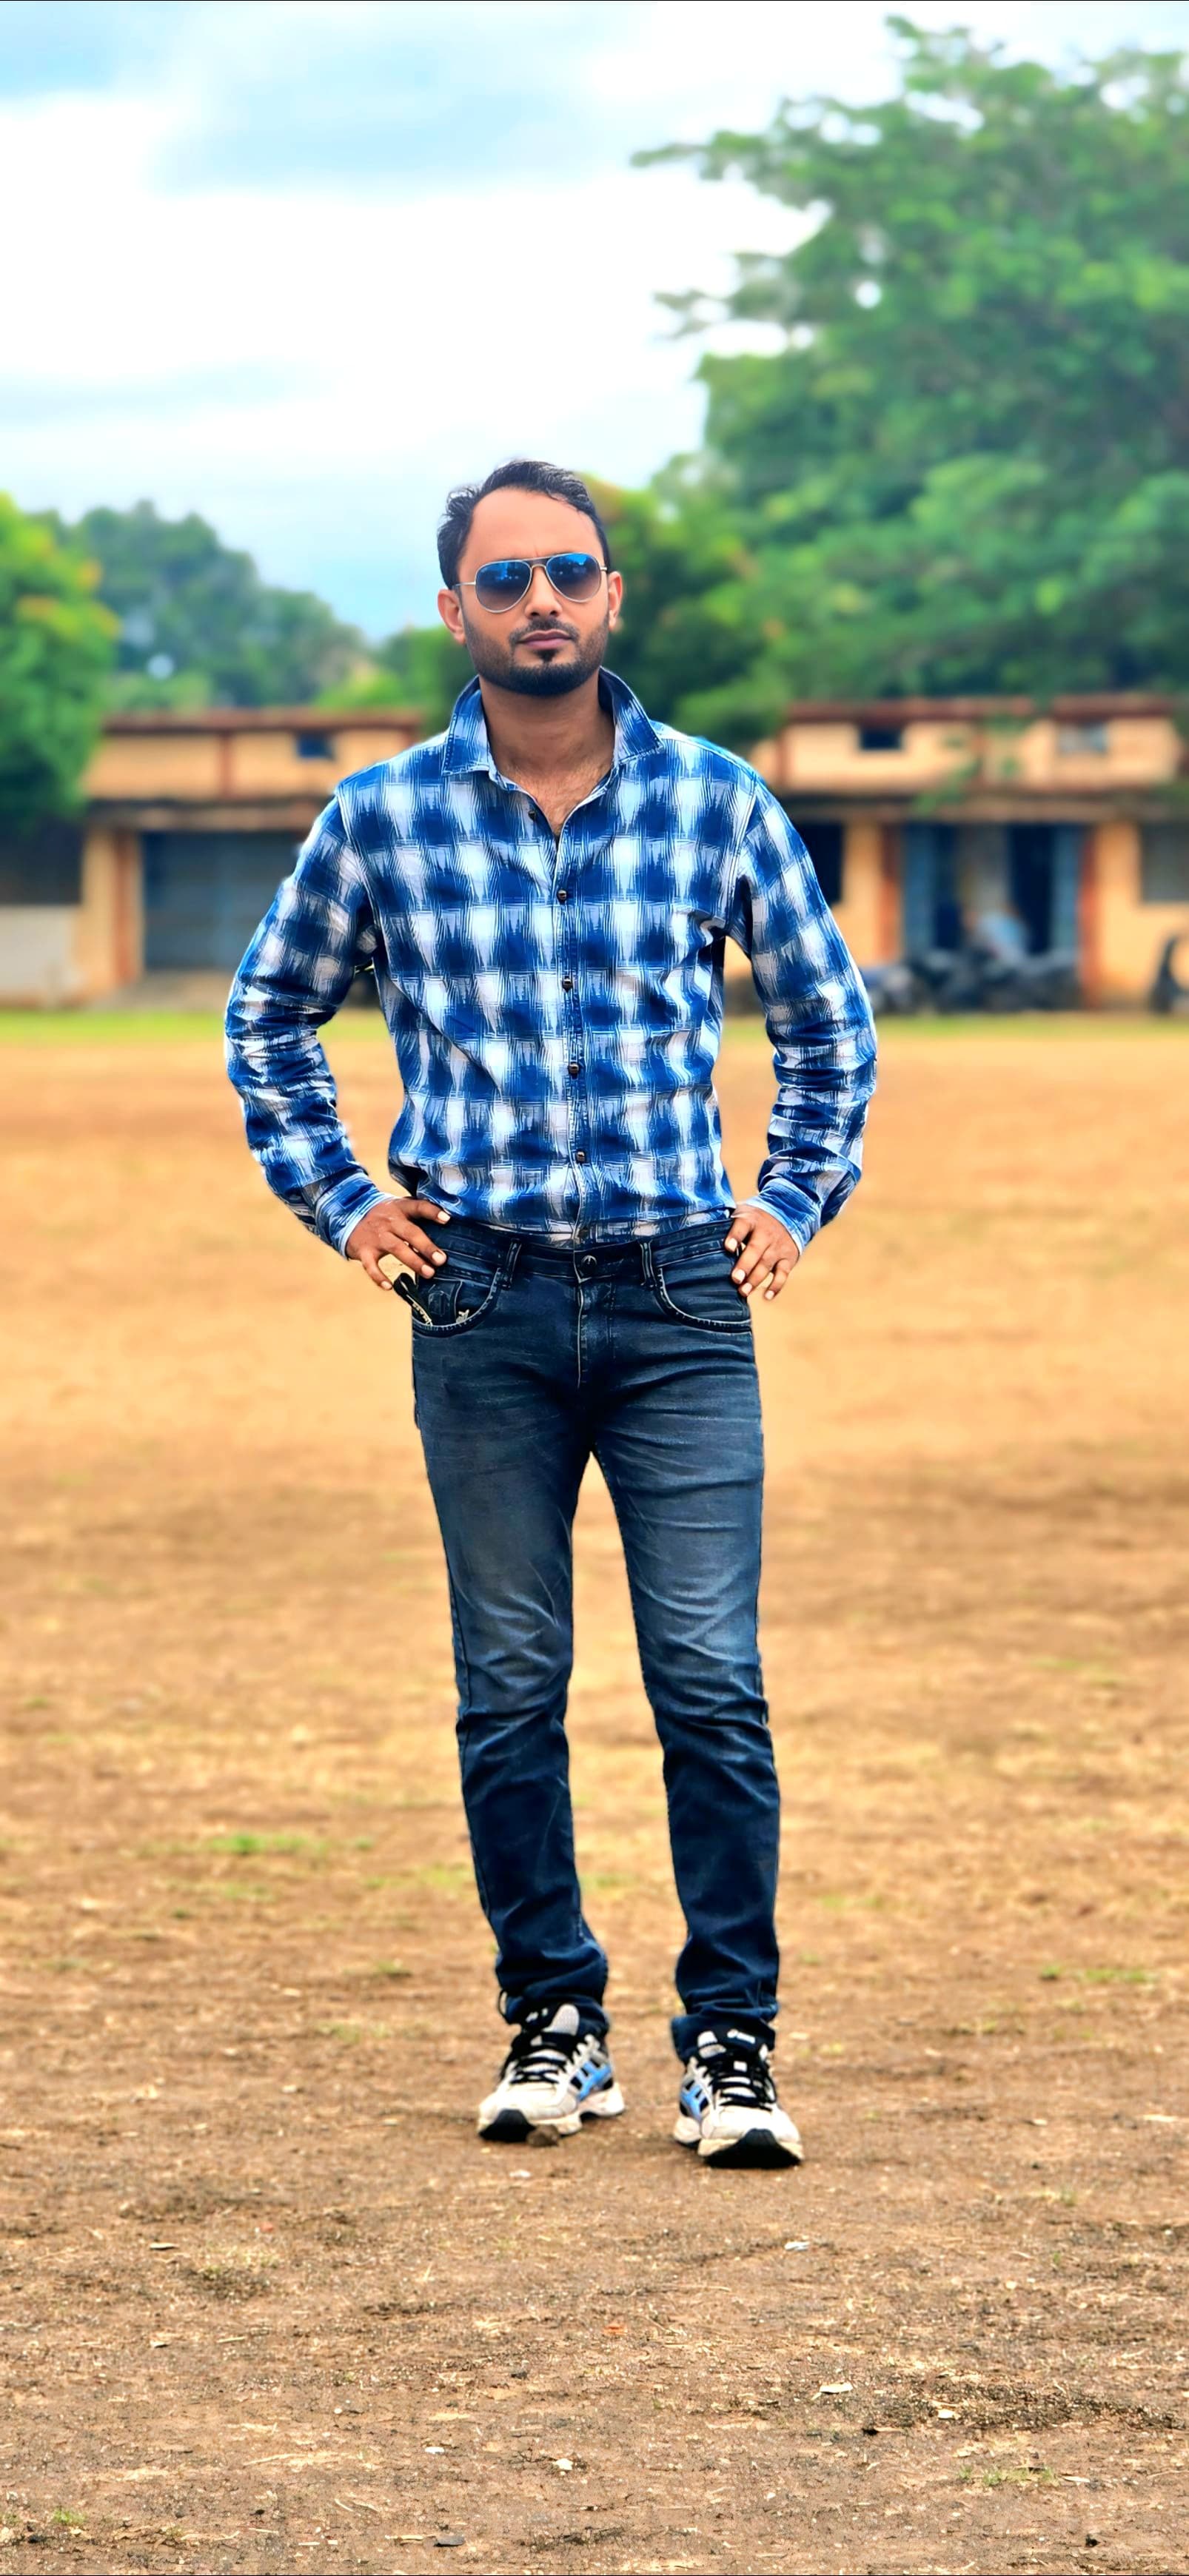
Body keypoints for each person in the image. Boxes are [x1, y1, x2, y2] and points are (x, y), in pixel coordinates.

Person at [225, 459, 877, 2168]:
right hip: (480, 1297)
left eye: (568, 573)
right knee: (509, 1684)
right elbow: (266, 1019)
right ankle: (552, 2023)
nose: (540, 602)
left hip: (677, 1296)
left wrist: (790, 1195)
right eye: (504, 578)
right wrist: (347, 1199)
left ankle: (728, 2045)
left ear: (606, 600)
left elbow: (827, 1026)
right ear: (453, 608)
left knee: (706, 1682)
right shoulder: (377, 819)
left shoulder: (718, 803)